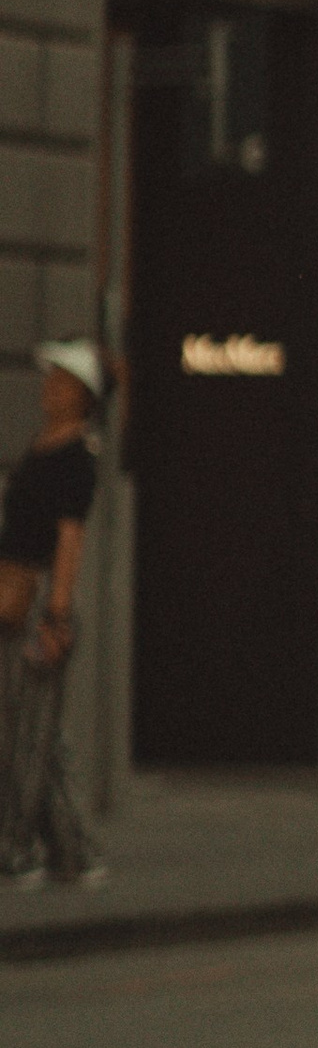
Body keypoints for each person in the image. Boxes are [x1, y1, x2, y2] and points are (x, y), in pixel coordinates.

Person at [0, 341, 106, 891]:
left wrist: (57, 615)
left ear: (82, 395)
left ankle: (16, 851)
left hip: (41, 599)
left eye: (62, 381)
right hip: (15, 592)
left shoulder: (77, 456)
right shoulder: (44, 446)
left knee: (26, 736)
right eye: (50, 379)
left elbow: (70, 538)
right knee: (37, 732)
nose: (49, 388)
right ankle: (74, 850)